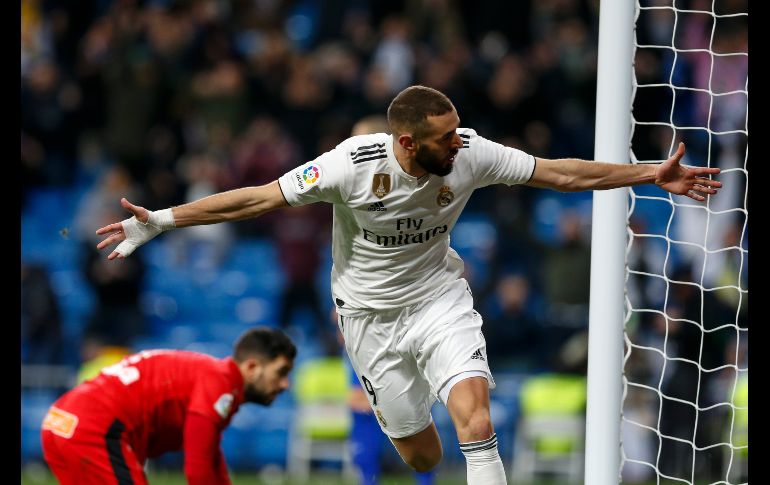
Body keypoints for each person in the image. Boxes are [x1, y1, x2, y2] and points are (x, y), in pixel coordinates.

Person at [94, 85, 722, 484]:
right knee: (422, 457)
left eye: (458, 131)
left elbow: (558, 175)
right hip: (369, 320)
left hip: (438, 299)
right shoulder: (350, 165)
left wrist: (646, 173)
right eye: (444, 137)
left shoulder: (470, 151)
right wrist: (163, 222)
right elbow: (256, 199)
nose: (460, 143)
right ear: (405, 142)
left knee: (477, 427)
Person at [41, 326, 296, 484]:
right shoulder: (220, 385)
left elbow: (210, 458)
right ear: (251, 367)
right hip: (94, 431)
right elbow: (199, 471)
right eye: (281, 372)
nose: (285, 384)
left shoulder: (214, 378)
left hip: (60, 423)